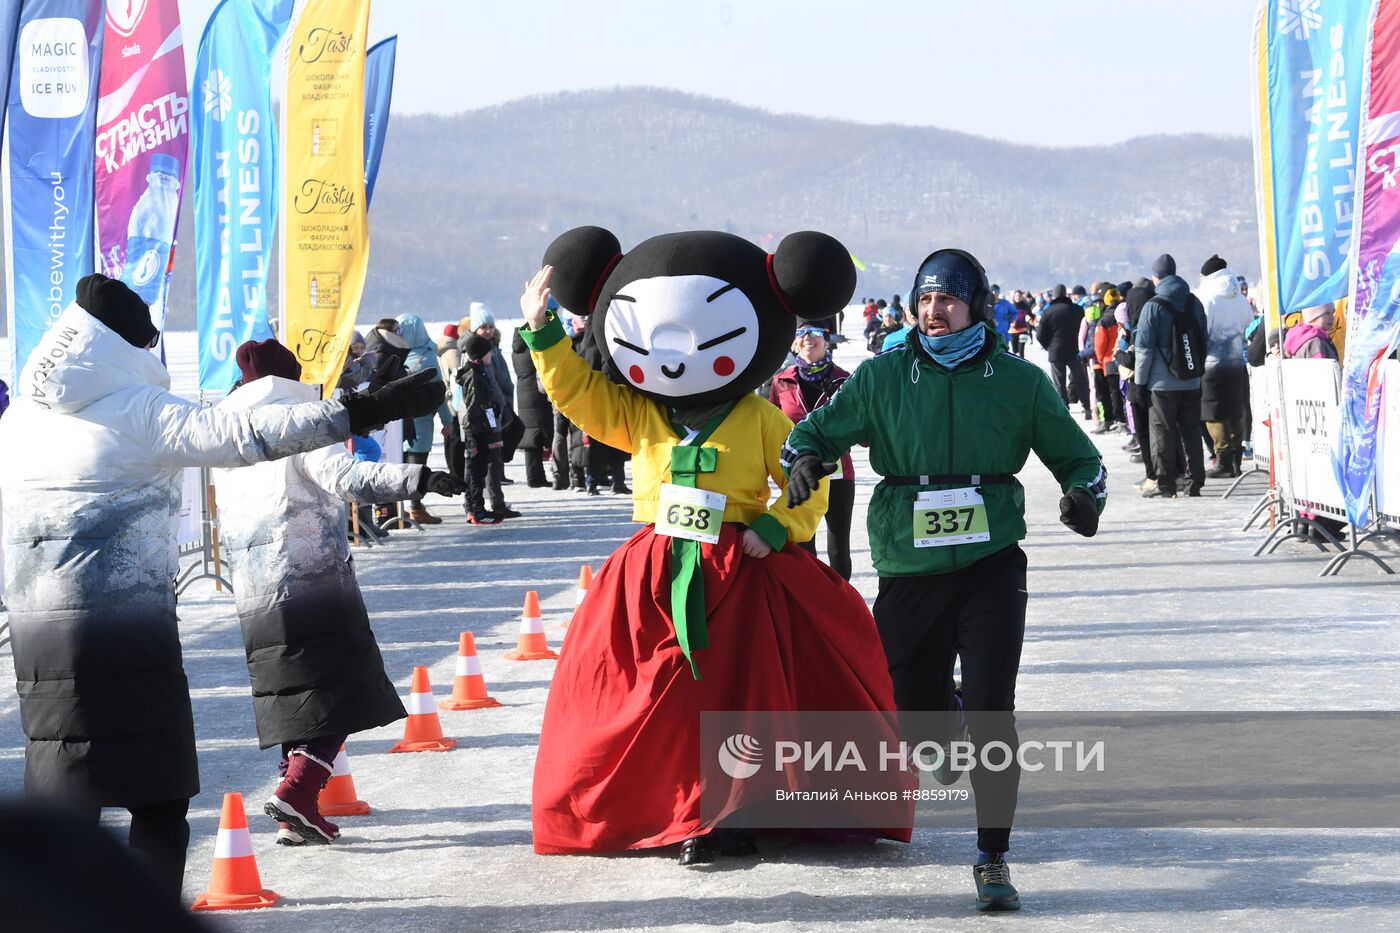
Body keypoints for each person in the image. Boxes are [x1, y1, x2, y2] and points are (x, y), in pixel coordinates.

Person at [0, 274, 443, 897]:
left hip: (38, 648)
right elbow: (242, 438)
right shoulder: (135, 411)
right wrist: (366, 408)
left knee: (67, 801)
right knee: (157, 806)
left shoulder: (19, 422)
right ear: (125, 344)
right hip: (130, 644)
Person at [521, 226, 911, 866]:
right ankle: (674, 808)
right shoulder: (639, 412)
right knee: (655, 695)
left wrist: (776, 526)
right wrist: (542, 334)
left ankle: (728, 815)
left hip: (738, 571)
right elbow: (579, 394)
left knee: (733, 699)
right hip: (654, 570)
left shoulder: (760, 418)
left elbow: (807, 480)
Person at [783, 247, 1106, 913]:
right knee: (912, 716)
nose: (933, 312)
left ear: (976, 306)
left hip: (992, 564)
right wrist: (806, 459)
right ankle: (944, 719)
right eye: (924, 299)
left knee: (994, 707)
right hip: (909, 565)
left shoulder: (1018, 381)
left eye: (947, 299)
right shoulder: (881, 376)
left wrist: (1082, 496)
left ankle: (992, 855)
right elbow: (810, 432)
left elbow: (1082, 458)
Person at [213, 340, 466, 845]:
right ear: (290, 378)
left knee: (291, 693)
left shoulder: (228, 430)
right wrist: (418, 477)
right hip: (311, 575)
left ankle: (294, 809)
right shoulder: (301, 420)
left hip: (253, 584)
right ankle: (298, 793)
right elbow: (346, 477)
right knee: (340, 687)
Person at [767, 320, 855, 580]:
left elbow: (863, 435)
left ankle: (841, 608)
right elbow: (772, 429)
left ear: (827, 340)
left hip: (837, 473)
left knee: (839, 549)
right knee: (804, 546)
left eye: (816, 332)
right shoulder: (781, 382)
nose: (808, 338)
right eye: (802, 332)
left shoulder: (845, 380)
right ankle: (810, 610)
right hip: (799, 474)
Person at [1134, 254, 1208, 498]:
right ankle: (1194, 481)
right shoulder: (1194, 302)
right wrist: (1197, 370)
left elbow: (1143, 351)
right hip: (1192, 379)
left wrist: (1139, 384)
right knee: (1191, 430)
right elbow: (1203, 340)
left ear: (1156, 277)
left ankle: (1167, 484)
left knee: (1163, 432)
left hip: (1161, 383)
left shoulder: (1152, 307)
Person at [396, 313, 456, 524]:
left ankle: (411, 507)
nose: (399, 334)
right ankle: (412, 507)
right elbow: (438, 391)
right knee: (414, 466)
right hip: (413, 420)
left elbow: (437, 392)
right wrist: (447, 420)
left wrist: (446, 419)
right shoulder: (421, 356)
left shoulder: (422, 356)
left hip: (409, 422)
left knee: (410, 466)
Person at [1197, 255, 1253, 477]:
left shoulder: (1206, 297)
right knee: (1234, 410)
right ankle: (1237, 459)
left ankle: (1224, 460)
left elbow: (1203, 330)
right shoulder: (1239, 296)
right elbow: (1248, 322)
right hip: (1236, 360)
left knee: (1214, 412)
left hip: (1211, 363)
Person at [456, 334, 508, 524]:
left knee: (475, 471)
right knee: (476, 471)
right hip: (476, 431)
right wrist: (477, 435)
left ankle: (473, 508)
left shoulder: (479, 371)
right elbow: (473, 407)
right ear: (480, 354)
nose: (491, 356)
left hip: (479, 429)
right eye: (488, 353)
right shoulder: (474, 376)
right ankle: (476, 510)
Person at [511, 313, 556, 488]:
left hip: (524, 395)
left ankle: (536, 476)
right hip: (534, 394)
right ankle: (535, 478)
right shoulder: (530, 349)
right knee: (535, 437)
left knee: (532, 436)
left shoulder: (518, 349)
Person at [1036, 284, 1089, 418]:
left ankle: (1064, 408)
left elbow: (1040, 334)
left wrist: (1049, 346)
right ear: (1066, 294)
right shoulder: (1077, 309)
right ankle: (1087, 406)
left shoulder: (1048, 312)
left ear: (1054, 295)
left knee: (1059, 382)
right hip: (1075, 350)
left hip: (1056, 351)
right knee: (1080, 380)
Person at [1090, 287, 1125, 433]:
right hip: (1124, 358)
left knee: (1111, 392)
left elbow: (1099, 344)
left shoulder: (1104, 320)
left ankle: (1116, 420)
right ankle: (1123, 419)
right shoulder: (1124, 314)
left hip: (1108, 360)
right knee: (1121, 392)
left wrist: (1099, 359)